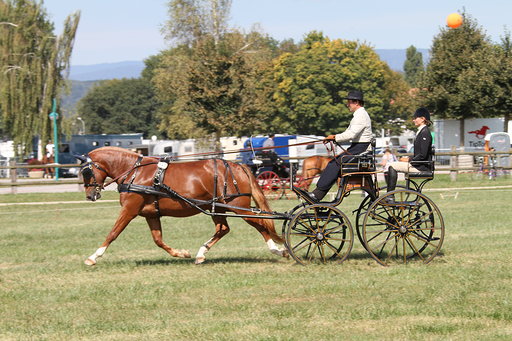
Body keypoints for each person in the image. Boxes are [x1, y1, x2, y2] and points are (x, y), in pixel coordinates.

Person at [297, 90, 373, 202]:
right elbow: (350, 133)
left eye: (349, 102)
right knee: (334, 163)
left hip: (361, 149)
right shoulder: (359, 115)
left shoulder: (361, 115)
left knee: (334, 164)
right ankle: (317, 194)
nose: (348, 104)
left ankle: (317, 195)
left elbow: (351, 134)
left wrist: (334, 137)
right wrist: (334, 138)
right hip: (357, 147)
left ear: (356, 102)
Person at [386, 107, 433, 202]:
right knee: (393, 165)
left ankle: (389, 196)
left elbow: (423, 155)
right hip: (419, 164)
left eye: (415, 118)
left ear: (423, 119)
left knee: (392, 166)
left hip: (421, 167)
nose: (413, 120)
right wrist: (408, 158)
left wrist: (409, 160)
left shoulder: (425, 133)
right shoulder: (422, 132)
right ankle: (389, 195)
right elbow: (420, 154)